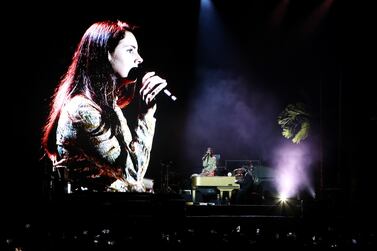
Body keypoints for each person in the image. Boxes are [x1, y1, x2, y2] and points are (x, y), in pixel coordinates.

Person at [41, 20, 168, 193]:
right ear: (106, 52)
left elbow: (125, 175)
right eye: (130, 50)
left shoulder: (108, 106)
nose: (139, 59)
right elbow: (132, 173)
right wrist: (146, 115)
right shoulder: (82, 110)